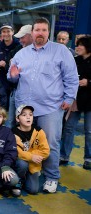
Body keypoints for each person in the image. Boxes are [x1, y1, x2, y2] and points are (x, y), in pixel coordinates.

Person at [8, 17, 79, 193]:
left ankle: (52, 177)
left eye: (44, 30)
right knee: (23, 142)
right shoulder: (21, 53)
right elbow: (12, 77)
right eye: (37, 30)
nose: (40, 33)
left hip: (50, 106)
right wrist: (13, 75)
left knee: (51, 143)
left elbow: (71, 77)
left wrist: (69, 99)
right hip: (24, 107)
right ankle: (27, 173)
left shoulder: (61, 51)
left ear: (49, 32)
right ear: (32, 33)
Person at [60, 36, 91, 169]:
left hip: (90, 101)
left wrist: (88, 82)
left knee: (89, 131)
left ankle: (88, 158)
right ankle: (64, 156)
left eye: (80, 45)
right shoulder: (75, 61)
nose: (77, 48)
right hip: (76, 100)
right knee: (68, 128)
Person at [12, 105, 50, 194]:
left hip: (34, 165)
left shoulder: (39, 131)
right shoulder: (13, 133)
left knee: (33, 190)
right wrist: (31, 156)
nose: (28, 117)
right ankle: (18, 180)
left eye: (31, 114)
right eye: (24, 115)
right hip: (20, 162)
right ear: (18, 119)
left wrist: (32, 157)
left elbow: (46, 151)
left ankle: (26, 177)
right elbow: (17, 152)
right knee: (22, 164)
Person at [5, 24, 33, 128]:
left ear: (31, 36)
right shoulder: (17, 50)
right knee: (11, 122)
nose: (20, 40)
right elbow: (8, 69)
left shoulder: (42, 53)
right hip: (14, 91)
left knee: (26, 123)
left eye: (23, 37)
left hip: (31, 95)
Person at [0, 23, 20, 96]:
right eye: (3, 32)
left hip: (16, 85)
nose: (6, 34)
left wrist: (9, 65)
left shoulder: (18, 46)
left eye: (8, 31)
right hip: (2, 85)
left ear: (13, 32)